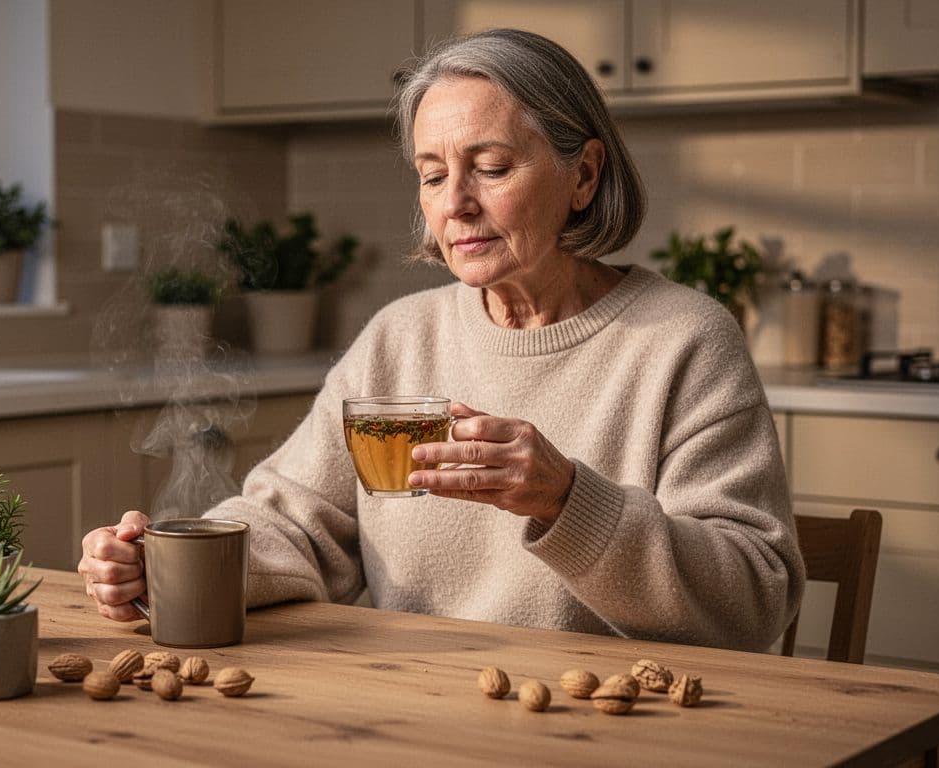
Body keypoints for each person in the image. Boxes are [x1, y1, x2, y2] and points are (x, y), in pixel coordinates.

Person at [79, 28, 804, 652]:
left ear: (583, 174)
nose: (453, 204)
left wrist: (568, 500)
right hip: (414, 709)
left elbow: (753, 597)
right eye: (432, 175)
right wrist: (168, 566)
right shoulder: (402, 336)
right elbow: (293, 522)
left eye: (490, 168)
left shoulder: (684, 340)